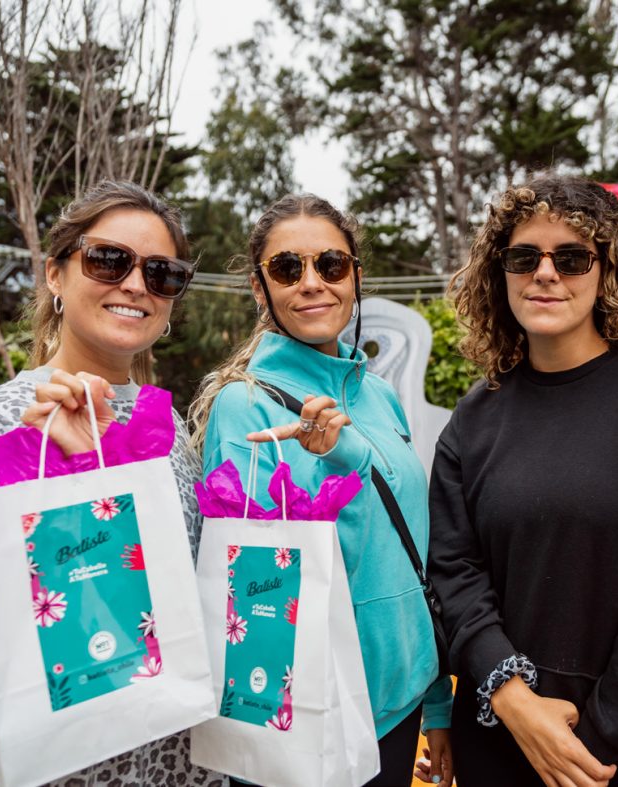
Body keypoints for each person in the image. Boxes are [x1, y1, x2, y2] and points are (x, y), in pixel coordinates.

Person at [428, 174, 618, 786]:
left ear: (607, 272)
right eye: (524, 257)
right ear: (501, 274)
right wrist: (514, 702)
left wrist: (594, 740)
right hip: (502, 736)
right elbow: (453, 571)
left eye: (571, 257)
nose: (546, 273)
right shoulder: (474, 416)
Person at [0, 180, 223, 786]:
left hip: (169, 761)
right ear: (55, 275)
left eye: (161, 273)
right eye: (109, 260)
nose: (136, 284)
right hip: (61, 765)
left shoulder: (167, 430)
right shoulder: (3, 420)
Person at [187, 193, 454, 787]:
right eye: (287, 268)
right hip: (323, 714)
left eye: (330, 265)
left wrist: (437, 701)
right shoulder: (246, 405)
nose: (312, 283)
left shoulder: (379, 395)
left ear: (355, 276)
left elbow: (414, 555)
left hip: (404, 696)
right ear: (261, 289)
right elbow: (255, 598)